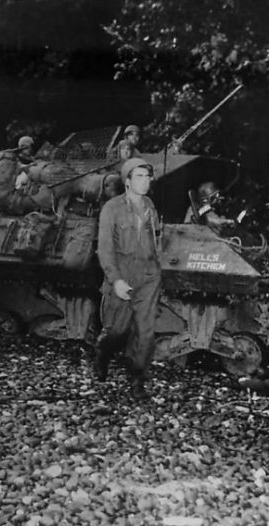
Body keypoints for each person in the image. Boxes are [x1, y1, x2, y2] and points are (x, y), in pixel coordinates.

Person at [94, 157, 161, 401]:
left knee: (145, 332)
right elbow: (105, 248)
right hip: (122, 274)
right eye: (140, 177)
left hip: (148, 276)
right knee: (117, 330)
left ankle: (137, 380)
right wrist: (116, 280)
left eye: (148, 176)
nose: (146, 182)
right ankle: (103, 350)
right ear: (127, 181)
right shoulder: (111, 209)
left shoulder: (150, 206)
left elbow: (155, 242)